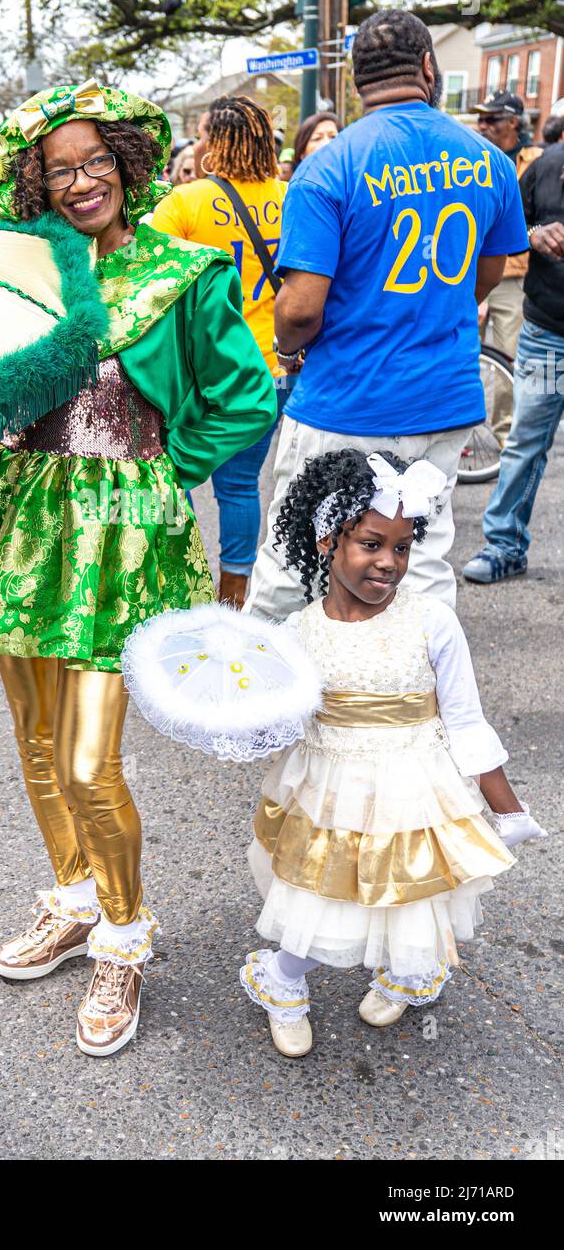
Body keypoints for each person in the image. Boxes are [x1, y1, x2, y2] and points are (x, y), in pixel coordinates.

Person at [0, 78, 279, 1056]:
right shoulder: (28, 279)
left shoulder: (183, 272)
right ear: (38, 182)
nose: (82, 180)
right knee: (37, 744)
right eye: (60, 168)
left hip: (122, 531)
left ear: (125, 161)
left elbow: (246, 397)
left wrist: (169, 469)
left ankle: (125, 937)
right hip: (22, 521)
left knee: (90, 759)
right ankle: (75, 901)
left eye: (94, 161)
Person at [241, 448, 545, 1057]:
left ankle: (407, 973)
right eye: (372, 544)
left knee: (416, 897)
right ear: (328, 540)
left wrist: (506, 810)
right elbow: (279, 725)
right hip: (329, 789)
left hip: (417, 788)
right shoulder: (296, 634)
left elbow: (466, 721)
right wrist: (240, 722)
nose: (389, 564)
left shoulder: (432, 622)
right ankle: (283, 982)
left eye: (402, 548)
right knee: (318, 894)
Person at [246, 9, 529, 621]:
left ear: (355, 82)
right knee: (419, 568)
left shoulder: (329, 165)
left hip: (348, 400)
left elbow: (298, 310)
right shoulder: (490, 161)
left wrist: (290, 352)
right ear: (428, 68)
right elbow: (487, 271)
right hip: (442, 399)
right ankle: (416, 708)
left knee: (296, 563)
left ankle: (259, 709)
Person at [151, 95, 286, 606]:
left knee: (173, 473)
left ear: (217, 141)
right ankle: (235, 592)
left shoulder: (185, 202)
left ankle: (178, 578)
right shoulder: (292, 197)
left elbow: (145, 285)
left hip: (199, 373)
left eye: (206, 134)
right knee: (239, 485)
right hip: (270, 368)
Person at [462, 129, 564, 584]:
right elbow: (506, 228)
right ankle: (504, 545)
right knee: (525, 443)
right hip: (548, 332)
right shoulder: (543, 167)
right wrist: (535, 233)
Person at [472, 92, 542, 446]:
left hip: (514, 276)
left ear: (514, 122)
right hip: (467, 269)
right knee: (462, 354)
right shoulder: (470, 157)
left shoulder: (537, 161)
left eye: (491, 118)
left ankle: (502, 438)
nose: (482, 125)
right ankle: (460, 433)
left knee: (505, 359)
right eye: (480, 119)